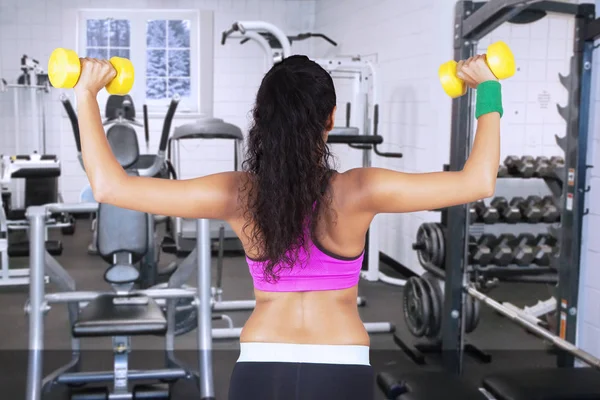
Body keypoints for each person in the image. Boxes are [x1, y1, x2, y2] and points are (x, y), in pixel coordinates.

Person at [73, 53, 501, 400]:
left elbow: (110, 187)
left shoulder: (238, 195)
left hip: (261, 362)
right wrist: (487, 87)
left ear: (261, 118)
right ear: (330, 119)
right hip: (340, 364)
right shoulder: (362, 190)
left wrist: (87, 94)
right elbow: (478, 181)